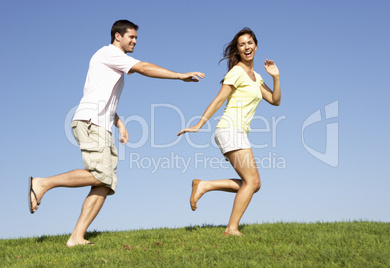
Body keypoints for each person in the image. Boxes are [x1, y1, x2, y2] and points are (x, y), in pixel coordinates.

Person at [29, 19, 205, 247]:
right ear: (117, 36)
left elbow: (102, 97)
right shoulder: (109, 54)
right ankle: (42, 183)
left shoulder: (108, 62)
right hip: (91, 122)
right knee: (102, 175)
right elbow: (143, 68)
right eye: (131, 37)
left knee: (106, 182)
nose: (134, 41)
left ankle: (76, 237)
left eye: (136, 38)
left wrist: (119, 123)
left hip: (100, 123)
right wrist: (179, 75)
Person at [177, 27, 280, 236]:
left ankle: (204, 185)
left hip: (238, 132)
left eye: (249, 43)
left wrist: (276, 77)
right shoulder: (236, 72)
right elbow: (218, 100)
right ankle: (231, 228)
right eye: (242, 45)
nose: (246, 47)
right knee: (251, 182)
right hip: (230, 129)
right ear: (238, 50)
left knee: (254, 184)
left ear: (256, 45)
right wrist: (199, 124)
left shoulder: (256, 77)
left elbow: (275, 100)